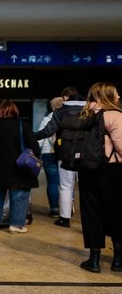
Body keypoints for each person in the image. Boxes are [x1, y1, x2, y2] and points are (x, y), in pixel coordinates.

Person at [75, 82, 122, 273]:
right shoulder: (116, 116)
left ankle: (93, 259)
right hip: (112, 170)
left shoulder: (85, 116)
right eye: (116, 93)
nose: (119, 96)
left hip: (87, 170)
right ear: (108, 95)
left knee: (91, 212)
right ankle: (118, 259)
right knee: (117, 211)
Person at [0, 100, 40, 233]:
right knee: (19, 195)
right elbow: (34, 147)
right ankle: (16, 225)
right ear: (15, 111)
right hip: (20, 168)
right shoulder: (23, 126)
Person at [34, 87, 86, 228]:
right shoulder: (90, 111)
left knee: (65, 186)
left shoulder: (60, 112)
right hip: (86, 154)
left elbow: (48, 131)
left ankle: (64, 218)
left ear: (66, 99)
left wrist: (32, 137)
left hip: (65, 153)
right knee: (86, 187)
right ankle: (87, 220)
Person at [37, 96, 65, 217]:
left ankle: (54, 209)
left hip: (48, 152)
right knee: (65, 183)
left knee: (52, 182)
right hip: (64, 153)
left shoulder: (48, 118)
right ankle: (67, 207)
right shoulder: (68, 118)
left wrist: (34, 150)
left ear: (53, 107)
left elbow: (41, 137)